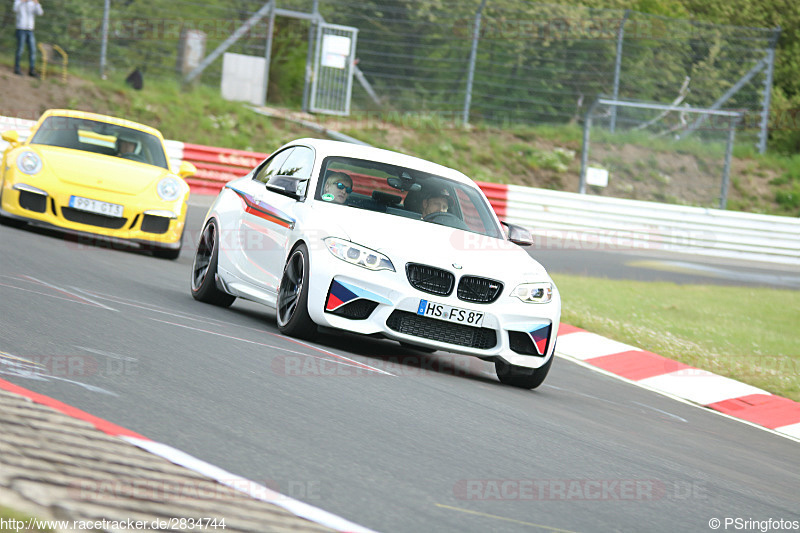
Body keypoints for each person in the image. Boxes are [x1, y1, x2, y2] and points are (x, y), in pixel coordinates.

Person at [14, 0, 44, 77]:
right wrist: (22, 2)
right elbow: (15, 9)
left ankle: (31, 70)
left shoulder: (32, 3)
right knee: (20, 49)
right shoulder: (18, 1)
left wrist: (37, 3)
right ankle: (17, 68)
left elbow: (40, 13)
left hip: (30, 30)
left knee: (32, 50)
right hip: (21, 28)